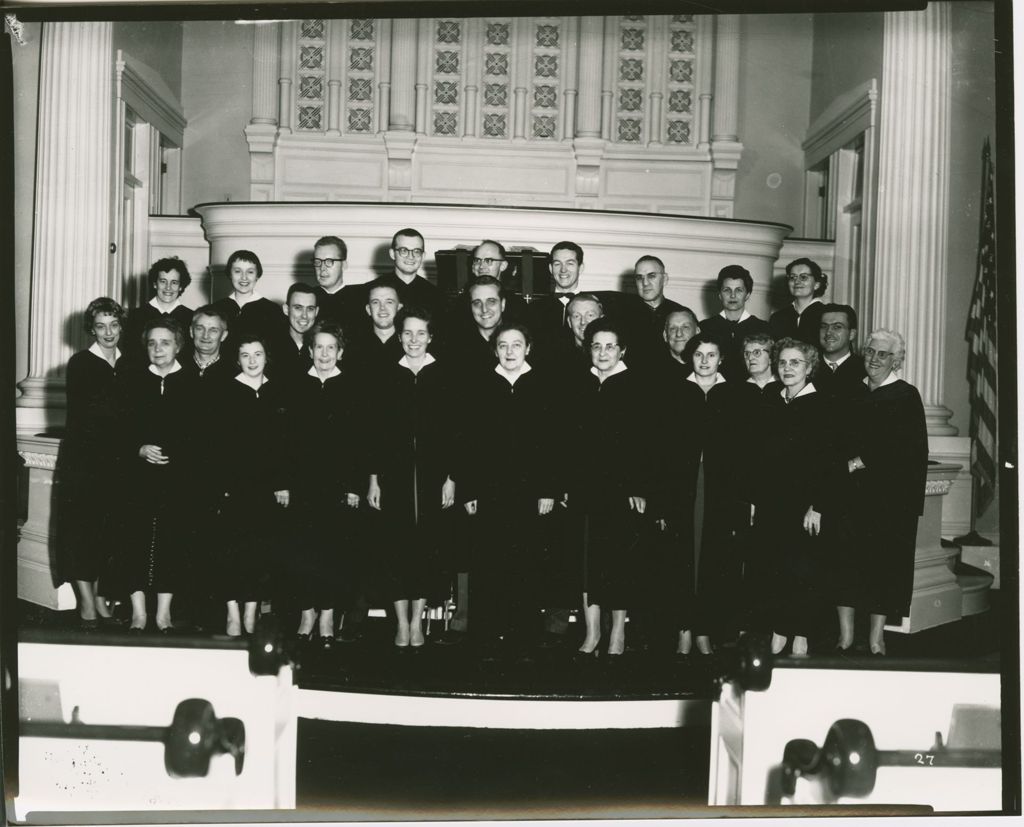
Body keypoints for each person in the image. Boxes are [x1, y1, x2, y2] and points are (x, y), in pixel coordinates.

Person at [460, 322, 558, 655]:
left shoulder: (544, 384)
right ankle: (487, 635)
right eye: (503, 345)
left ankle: (524, 635)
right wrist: (470, 491)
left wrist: (549, 489)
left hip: (531, 491)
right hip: (490, 488)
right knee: (489, 562)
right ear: (495, 348)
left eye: (517, 344)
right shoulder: (480, 384)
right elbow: (470, 442)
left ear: (528, 348)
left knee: (527, 562)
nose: (510, 351)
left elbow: (553, 443)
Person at [832, 329, 927, 655]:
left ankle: (876, 638)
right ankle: (845, 637)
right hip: (848, 495)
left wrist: (861, 461)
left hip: (887, 499)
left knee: (881, 567)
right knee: (844, 562)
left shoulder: (905, 396)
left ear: (896, 359)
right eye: (870, 352)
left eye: (883, 354)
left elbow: (908, 450)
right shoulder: (852, 392)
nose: (873, 358)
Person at [367, 307, 457, 649]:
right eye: (407, 333)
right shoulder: (387, 375)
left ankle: (418, 622)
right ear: (399, 335)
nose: (414, 340)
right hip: (395, 476)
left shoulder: (444, 375)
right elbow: (375, 434)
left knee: (426, 552)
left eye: (421, 334)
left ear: (430, 337)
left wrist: (451, 478)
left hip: (434, 477)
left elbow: (454, 432)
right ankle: (401, 624)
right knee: (396, 550)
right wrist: (374, 480)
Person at [750, 337, 837, 656]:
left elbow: (830, 464)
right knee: (775, 568)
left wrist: (818, 506)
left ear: (810, 367)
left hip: (805, 505)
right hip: (773, 503)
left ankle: (801, 633)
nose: (787, 368)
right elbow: (760, 458)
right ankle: (779, 630)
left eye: (795, 363)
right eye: (783, 362)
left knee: (803, 570)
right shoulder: (773, 400)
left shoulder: (822, 406)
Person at [569, 318, 651, 658]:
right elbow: (567, 440)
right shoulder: (578, 384)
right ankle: (591, 634)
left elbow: (647, 445)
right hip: (586, 489)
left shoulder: (636, 385)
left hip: (621, 491)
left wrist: (639, 486)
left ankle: (617, 632)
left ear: (622, 350)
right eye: (597, 346)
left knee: (619, 563)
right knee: (587, 562)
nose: (603, 352)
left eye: (610, 346)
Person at [289, 320, 366, 648]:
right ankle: (307, 613)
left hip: (338, 487)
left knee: (334, 554)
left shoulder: (351, 387)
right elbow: (283, 440)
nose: (324, 353)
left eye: (330, 348)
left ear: (340, 352)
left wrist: (353, 486)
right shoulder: (294, 385)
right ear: (309, 350)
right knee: (304, 551)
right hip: (302, 485)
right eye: (318, 347)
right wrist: (283, 483)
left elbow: (360, 444)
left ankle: (328, 615)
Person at [122, 317, 199, 633]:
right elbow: (118, 429)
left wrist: (178, 456)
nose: (158, 348)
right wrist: (138, 449)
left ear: (178, 345)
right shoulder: (132, 381)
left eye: (165, 342)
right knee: (133, 540)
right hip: (138, 476)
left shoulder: (194, 382)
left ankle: (163, 613)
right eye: (152, 343)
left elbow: (203, 436)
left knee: (173, 541)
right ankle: (138, 612)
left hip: (177, 478)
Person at [56, 297, 128, 627]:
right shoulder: (81, 363)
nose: (108, 332)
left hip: (118, 463)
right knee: (81, 532)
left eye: (114, 324)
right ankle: (86, 603)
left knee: (108, 533)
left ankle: (100, 601)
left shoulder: (130, 363)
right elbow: (91, 417)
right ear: (92, 329)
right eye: (101, 326)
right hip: (85, 463)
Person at [217, 334, 291, 637]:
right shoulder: (225, 391)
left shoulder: (278, 391)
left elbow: (286, 444)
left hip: (268, 488)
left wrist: (282, 483)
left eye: (257, 354)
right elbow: (216, 445)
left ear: (266, 357)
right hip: (234, 486)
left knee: (260, 551)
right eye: (245, 355)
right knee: (232, 550)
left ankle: (251, 612)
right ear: (237, 358)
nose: (251, 361)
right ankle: (233, 612)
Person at [683, 332, 747, 655]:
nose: (705, 361)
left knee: (713, 559)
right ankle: (683, 630)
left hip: (720, 488)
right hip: (685, 486)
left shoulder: (734, 394)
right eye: (699, 355)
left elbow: (742, 450)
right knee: (683, 558)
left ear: (721, 359)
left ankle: (704, 630)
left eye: (711, 355)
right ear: (690, 357)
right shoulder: (678, 391)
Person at [210, 249, 288, 362]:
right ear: (230, 274)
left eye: (250, 272)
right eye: (237, 271)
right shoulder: (217, 308)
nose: (244, 277)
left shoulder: (272, 310)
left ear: (257, 275)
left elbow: (278, 352)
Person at [699, 265, 771, 382]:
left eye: (739, 290)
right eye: (727, 290)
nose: (732, 295)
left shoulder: (763, 328)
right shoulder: (705, 327)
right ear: (719, 295)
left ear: (747, 295)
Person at [123, 258, 195, 364]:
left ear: (180, 287)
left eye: (174, 282)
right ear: (155, 284)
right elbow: (131, 355)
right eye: (163, 281)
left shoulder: (191, 317)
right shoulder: (136, 316)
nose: (168, 288)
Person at [364, 228, 443, 321]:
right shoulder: (370, 291)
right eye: (404, 250)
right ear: (392, 254)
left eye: (416, 251)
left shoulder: (436, 295)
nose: (411, 256)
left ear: (423, 256)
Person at [526, 240, 585, 358]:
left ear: (581, 268)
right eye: (557, 264)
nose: (563, 270)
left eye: (570, 263)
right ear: (550, 268)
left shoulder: (591, 307)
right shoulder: (533, 309)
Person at [626, 255, 685, 369]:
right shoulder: (622, 314)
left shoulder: (681, 313)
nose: (645, 283)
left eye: (651, 276)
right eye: (639, 278)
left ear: (665, 279)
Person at [769, 258, 828, 346]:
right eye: (792, 277)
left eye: (803, 277)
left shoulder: (827, 315)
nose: (797, 281)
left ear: (816, 284)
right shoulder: (777, 318)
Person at [815, 303, 866, 398]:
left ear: (852, 334)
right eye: (824, 326)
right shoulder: (807, 368)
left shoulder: (865, 369)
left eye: (837, 327)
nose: (828, 332)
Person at [311, 235, 362, 329]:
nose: (322, 268)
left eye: (329, 261)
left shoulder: (360, 299)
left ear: (344, 265)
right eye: (318, 261)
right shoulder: (307, 299)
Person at [276, 283, 319, 383]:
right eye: (298, 308)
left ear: (316, 312)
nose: (304, 316)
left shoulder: (322, 347)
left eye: (310, 309)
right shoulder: (271, 345)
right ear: (286, 310)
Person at [182, 305, 235, 384]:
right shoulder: (176, 368)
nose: (205, 336)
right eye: (200, 328)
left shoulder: (234, 374)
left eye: (213, 330)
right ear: (191, 331)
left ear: (223, 335)